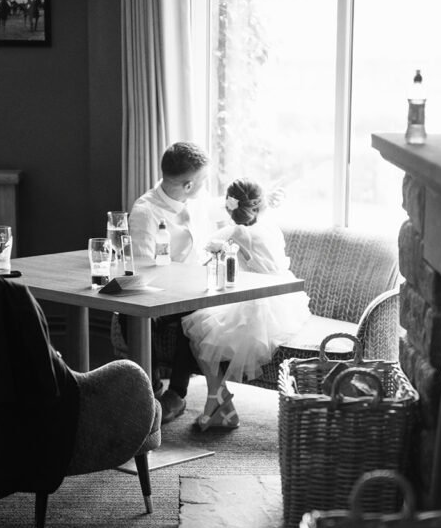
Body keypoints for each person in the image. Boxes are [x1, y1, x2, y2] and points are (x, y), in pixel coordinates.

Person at [181, 178, 311, 430]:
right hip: (286, 300)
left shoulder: (234, 233)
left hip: (259, 303)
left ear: (229, 207)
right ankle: (221, 405)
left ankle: (218, 402)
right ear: (260, 207)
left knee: (200, 332)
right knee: (203, 329)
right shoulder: (270, 227)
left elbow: (202, 257)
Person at [118, 141, 217, 423]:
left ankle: (176, 394)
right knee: (133, 314)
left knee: (201, 308)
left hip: (195, 287)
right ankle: (151, 390)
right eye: (203, 180)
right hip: (158, 292)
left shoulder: (197, 201)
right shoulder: (145, 211)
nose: (206, 185)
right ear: (188, 185)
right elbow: (140, 267)